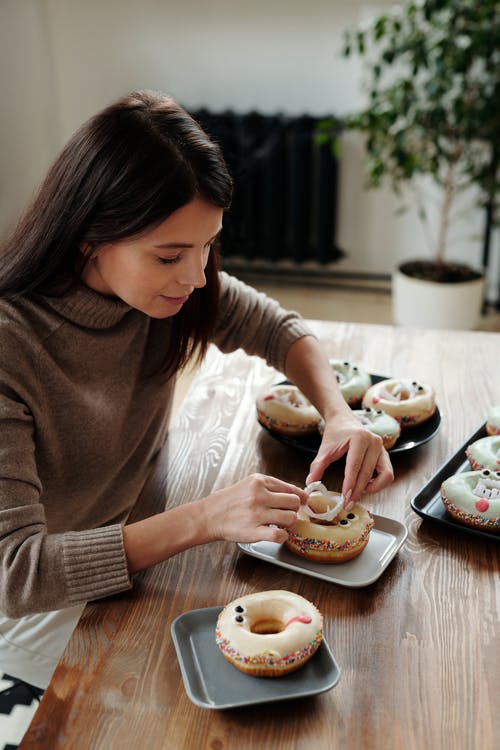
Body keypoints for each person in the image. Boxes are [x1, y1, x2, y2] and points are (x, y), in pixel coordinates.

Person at [0, 90, 394, 689]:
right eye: (168, 255)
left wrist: (341, 416)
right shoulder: (11, 347)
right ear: (89, 236)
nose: (195, 274)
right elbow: (17, 576)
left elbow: (278, 328)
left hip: (140, 544)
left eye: (207, 245)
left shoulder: (176, 289)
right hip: (42, 610)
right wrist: (205, 517)